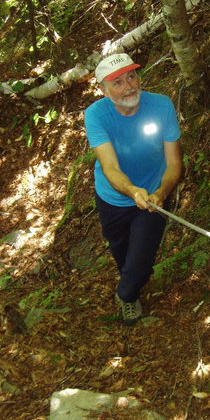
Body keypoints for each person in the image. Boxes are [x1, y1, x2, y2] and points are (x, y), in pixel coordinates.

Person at [84, 53, 183, 325]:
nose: (129, 86)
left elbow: (174, 162)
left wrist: (161, 192)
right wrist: (131, 190)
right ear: (103, 90)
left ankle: (126, 294)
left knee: (142, 255)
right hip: (113, 197)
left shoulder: (161, 106)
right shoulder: (96, 115)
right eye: (117, 82)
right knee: (121, 249)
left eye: (131, 76)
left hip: (153, 196)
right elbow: (110, 166)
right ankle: (131, 283)